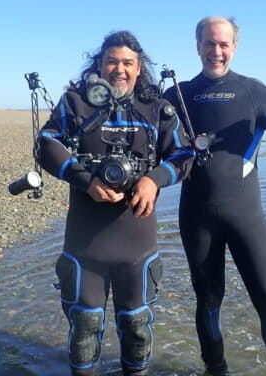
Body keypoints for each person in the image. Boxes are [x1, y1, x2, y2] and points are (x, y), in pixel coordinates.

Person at [164, 16, 266, 376]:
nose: (216, 51)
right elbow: (152, 145)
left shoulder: (253, 92)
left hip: (246, 217)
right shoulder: (178, 95)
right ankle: (215, 370)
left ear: (234, 47)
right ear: (197, 46)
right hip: (196, 216)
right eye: (209, 43)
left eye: (223, 44)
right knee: (207, 301)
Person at [38, 30, 194, 376]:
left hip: (137, 245)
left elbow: (185, 154)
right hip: (84, 244)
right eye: (112, 61)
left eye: (128, 63)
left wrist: (153, 180)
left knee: (137, 327)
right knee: (84, 328)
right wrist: (85, 180)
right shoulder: (75, 103)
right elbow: (45, 142)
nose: (119, 69)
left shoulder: (158, 109)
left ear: (140, 69)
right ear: (100, 64)